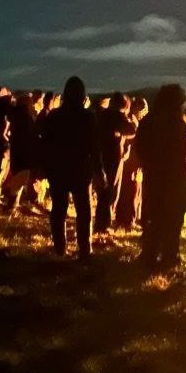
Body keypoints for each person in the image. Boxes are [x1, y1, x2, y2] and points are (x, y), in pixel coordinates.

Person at [39, 76, 105, 259]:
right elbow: (94, 146)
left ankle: (60, 248)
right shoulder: (88, 117)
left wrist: (44, 166)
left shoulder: (54, 116)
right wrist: (99, 170)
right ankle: (84, 249)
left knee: (59, 209)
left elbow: (45, 144)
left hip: (58, 168)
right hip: (80, 169)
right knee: (83, 211)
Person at [134, 85, 186, 272]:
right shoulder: (177, 123)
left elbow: (140, 148)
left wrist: (149, 163)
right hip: (174, 176)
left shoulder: (148, 121)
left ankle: (150, 254)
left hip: (154, 177)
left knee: (155, 217)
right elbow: (185, 148)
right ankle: (169, 256)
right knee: (173, 220)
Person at [94, 92, 136, 234]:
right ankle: (104, 225)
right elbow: (132, 130)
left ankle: (101, 223)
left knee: (103, 191)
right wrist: (131, 120)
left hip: (101, 155)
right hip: (114, 158)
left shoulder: (102, 115)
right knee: (110, 191)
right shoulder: (118, 116)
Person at [115, 96, 148, 229]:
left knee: (130, 192)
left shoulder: (132, 122)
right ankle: (128, 220)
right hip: (132, 164)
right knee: (132, 192)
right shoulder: (133, 123)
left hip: (131, 163)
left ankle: (125, 218)